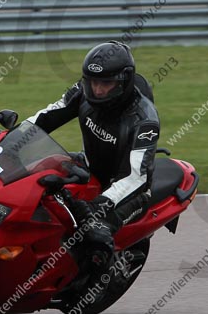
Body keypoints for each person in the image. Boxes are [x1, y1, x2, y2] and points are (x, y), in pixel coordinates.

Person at [25, 41, 160, 274]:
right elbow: (48, 116)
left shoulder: (145, 121)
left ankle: (96, 275)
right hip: (91, 166)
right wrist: (11, 136)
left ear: (123, 82)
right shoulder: (83, 90)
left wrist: (99, 205)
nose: (97, 90)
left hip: (128, 191)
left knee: (93, 235)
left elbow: (136, 178)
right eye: (93, 82)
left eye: (106, 83)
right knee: (36, 179)